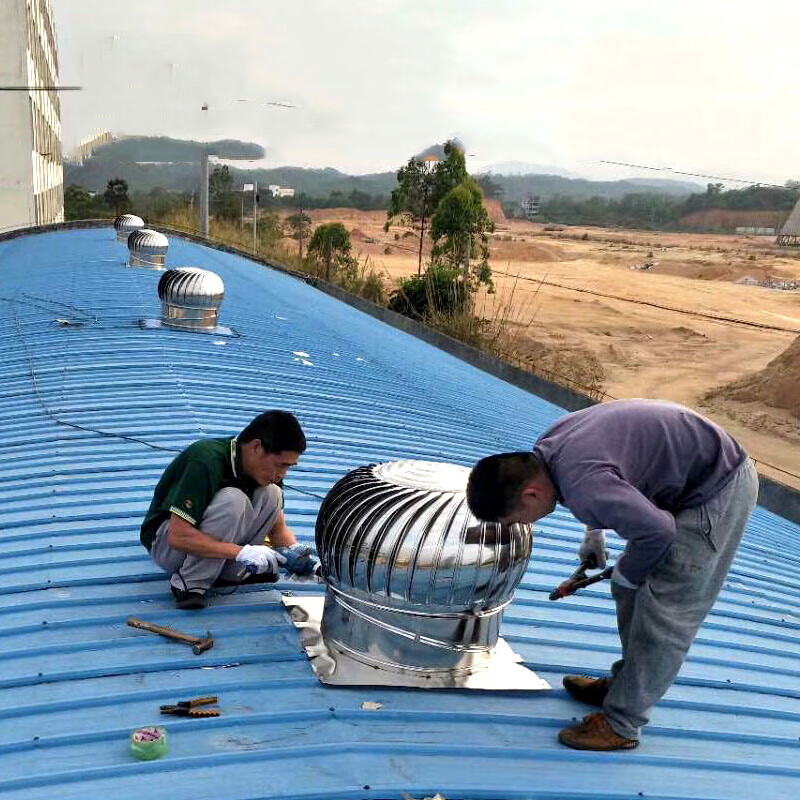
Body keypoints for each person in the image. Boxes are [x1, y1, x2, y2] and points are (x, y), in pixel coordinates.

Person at [466, 399, 758, 751]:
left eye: (515, 519)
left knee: (666, 608)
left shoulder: (585, 485)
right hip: (690, 469)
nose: (521, 525)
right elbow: (607, 471)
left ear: (530, 493)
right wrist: (595, 533)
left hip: (716, 489)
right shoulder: (547, 449)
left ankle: (623, 723)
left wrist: (625, 575)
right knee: (631, 590)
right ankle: (625, 686)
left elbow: (658, 532)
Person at [140, 410, 319, 610]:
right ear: (257, 447)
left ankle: (229, 575)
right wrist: (242, 552)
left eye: (289, 467)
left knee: (272, 494)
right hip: (167, 545)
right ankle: (190, 584)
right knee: (233, 500)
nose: (283, 473)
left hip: (213, 548)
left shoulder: (267, 473)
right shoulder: (205, 460)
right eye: (281, 465)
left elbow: (277, 529)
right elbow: (178, 536)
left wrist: (298, 555)